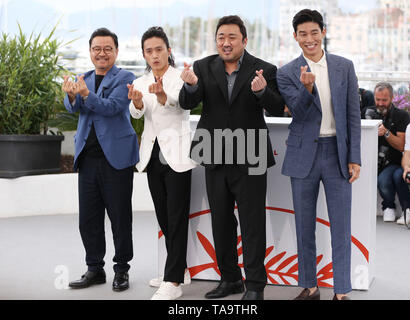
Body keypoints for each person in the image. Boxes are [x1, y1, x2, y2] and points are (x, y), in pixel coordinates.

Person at [179, 15, 285, 300]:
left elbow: (277, 108)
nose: (225, 43)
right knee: (221, 220)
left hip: (251, 154)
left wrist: (262, 91)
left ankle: (254, 286)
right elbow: (188, 102)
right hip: (214, 154)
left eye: (232, 37)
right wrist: (189, 86)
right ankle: (229, 279)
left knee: (252, 223)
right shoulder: (202, 66)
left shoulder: (264, 69)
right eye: (221, 37)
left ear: (244, 40)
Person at [276, 9, 361, 300]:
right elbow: (298, 113)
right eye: (303, 34)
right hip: (303, 156)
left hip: (337, 153)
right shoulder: (286, 72)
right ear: (296, 37)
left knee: (341, 226)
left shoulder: (344, 67)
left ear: (323, 32)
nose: (309, 39)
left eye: (314, 32)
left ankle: (341, 291)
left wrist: (355, 157)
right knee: (304, 225)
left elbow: (353, 115)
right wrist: (307, 88)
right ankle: (310, 286)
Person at [62, 28, 138, 292]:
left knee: (119, 217)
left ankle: (121, 270)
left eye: (107, 48)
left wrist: (83, 94)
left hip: (116, 158)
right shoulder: (84, 77)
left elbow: (113, 107)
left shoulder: (126, 76)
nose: (102, 53)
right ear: (91, 51)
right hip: (88, 158)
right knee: (89, 219)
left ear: (116, 52)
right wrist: (72, 95)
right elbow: (75, 108)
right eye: (97, 48)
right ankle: (94, 268)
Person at [128, 26, 196, 300]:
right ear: (144, 54)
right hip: (152, 156)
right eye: (149, 51)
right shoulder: (142, 80)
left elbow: (183, 105)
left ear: (169, 50)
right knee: (164, 217)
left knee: (177, 218)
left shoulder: (179, 78)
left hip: (177, 155)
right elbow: (136, 112)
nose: (154, 55)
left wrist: (162, 97)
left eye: (159, 49)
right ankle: (180, 269)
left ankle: (173, 281)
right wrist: (137, 102)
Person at [364, 82, 410, 223]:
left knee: (383, 180)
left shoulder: (401, 116)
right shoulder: (367, 112)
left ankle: (389, 206)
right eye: (377, 99)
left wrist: (386, 132)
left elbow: (401, 145)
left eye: (384, 100)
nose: (380, 103)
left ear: (392, 98)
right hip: (370, 159)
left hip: (394, 161)